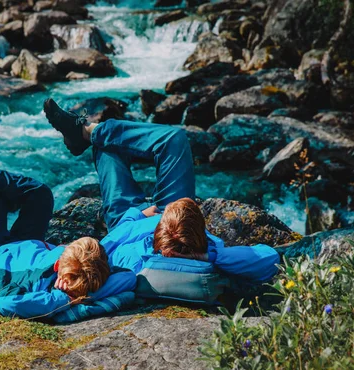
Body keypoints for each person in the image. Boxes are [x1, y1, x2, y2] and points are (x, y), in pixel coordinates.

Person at [43, 98, 279, 303]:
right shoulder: (208, 249)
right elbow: (269, 257)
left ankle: (87, 132)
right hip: (175, 219)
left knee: (108, 150)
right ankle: (90, 131)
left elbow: (108, 245)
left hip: (128, 218)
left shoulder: (132, 263)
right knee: (174, 139)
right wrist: (207, 255)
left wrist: (140, 215)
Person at [0, 146, 136, 319]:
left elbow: (6, 303)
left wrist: (64, 299)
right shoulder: (89, 274)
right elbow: (129, 278)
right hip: (28, 244)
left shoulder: (37, 286)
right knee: (42, 194)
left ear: (58, 264)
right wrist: (86, 291)